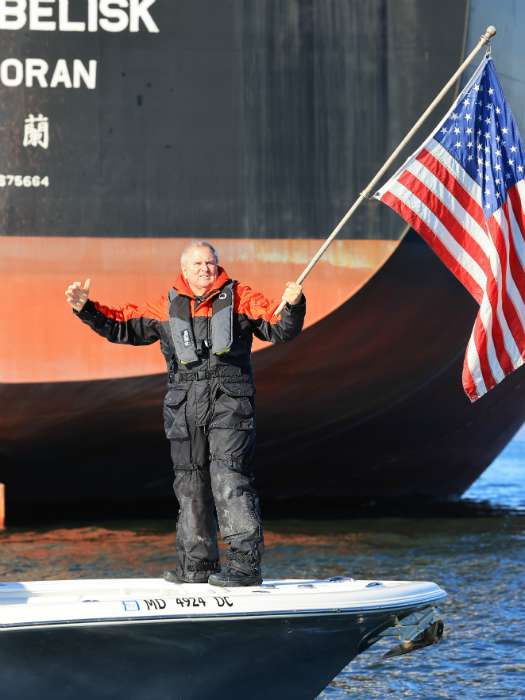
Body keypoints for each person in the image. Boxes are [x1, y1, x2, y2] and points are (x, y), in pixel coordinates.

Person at [65, 241, 305, 586]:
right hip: (183, 407)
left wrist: (295, 304)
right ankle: (197, 567)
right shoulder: (166, 306)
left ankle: (244, 567)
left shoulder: (242, 298)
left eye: (210, 263)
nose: (204, 269)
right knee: (190, 484)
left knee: (230, 479)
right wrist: (85, 308)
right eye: (197, 264)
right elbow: (121, 325)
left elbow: (280, 327)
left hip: (230, 403)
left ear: (218, 265)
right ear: (184, 269)